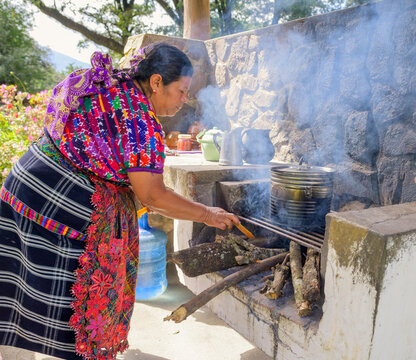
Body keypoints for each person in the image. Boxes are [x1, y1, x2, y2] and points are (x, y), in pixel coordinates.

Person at [0, 43, 239, 360]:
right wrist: (207, 214)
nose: (185, 100)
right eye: (181, 91)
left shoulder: (114, 87)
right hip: (56, 201)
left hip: (25, 182)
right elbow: (153, 195)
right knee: (72, 297)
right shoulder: (140, 122)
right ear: (156, 82)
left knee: (24, 282)